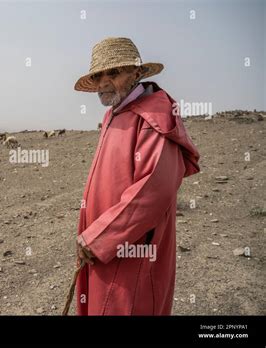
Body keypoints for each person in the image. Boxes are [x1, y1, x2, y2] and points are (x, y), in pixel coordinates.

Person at [73, 37, 201, 315]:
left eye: (114, 72)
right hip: (106, 247)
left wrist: (98, 238)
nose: (104, 82)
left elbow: (152, 193)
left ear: (137, 73)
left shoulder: (154, 117)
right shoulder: (114, 115)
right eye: (99, 75)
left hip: (134, 248)